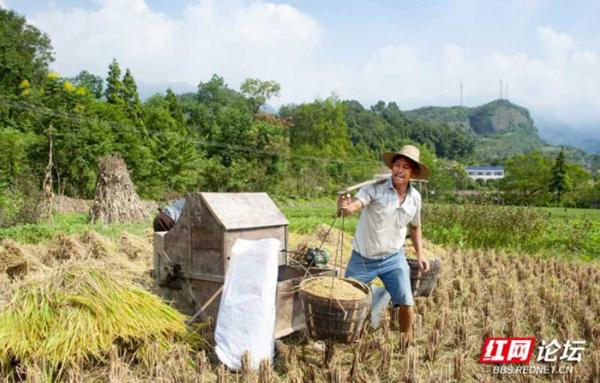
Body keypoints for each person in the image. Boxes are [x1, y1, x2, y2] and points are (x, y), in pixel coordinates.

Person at [338, 144, 431, 339]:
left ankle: (406, 339)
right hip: (363, 258)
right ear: (391, 168)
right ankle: (346, 339)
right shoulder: (375, 188)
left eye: (406, 167)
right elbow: (355, 206)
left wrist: (420, 254)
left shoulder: (415, 198)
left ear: (412, 173)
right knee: (347, 300)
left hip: (393, 258)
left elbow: (415, 227)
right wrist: (346, 207)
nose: (400, 170)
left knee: (406, 301)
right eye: (397, 165)